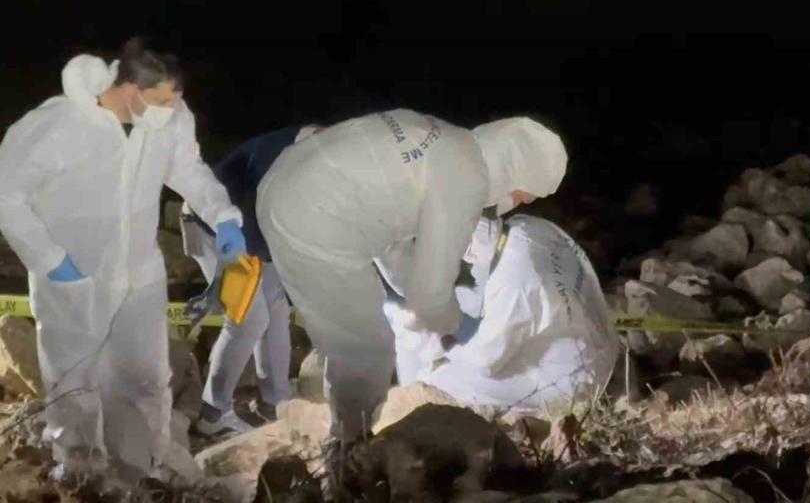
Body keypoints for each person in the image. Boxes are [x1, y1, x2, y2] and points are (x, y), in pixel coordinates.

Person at [0, 38, 246, 481]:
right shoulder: (57, 125)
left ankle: (145, 467)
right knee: (73, 378)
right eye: (161, 101)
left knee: (146, 377)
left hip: (139, 273)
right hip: (73, 276)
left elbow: (188, 170)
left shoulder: (169, 118)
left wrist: (223, 216)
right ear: (129, 89)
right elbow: (5, 193)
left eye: (175, 101)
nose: (171, 110)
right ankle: (79, 471)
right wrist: (49, 259)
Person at [255, 109, 568, 455]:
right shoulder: (466, 181)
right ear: (514, 170)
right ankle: (347, 450)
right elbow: (429, 295)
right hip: (312, 215)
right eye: (524, 195)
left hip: (283, 180)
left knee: (357, 332)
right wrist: (459, 327)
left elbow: (392, 243)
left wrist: (424, 297)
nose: (520, 203)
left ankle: (346, 433)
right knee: (367, 348)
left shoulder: (452, 143)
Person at [387, 214, 622, 412]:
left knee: (434, 380)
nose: (464, 257)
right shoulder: (528, 226)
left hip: (575, 380)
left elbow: (485, 362)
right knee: (462, 300)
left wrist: (438, 343)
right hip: (597, 341)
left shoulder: (513, 283)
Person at [179, 124, 319, 436]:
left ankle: (276, 404)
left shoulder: (313, 157)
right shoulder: (274, 161)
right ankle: (213, 415)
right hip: (214, 228)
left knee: (276, 312)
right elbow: (257, 232)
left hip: (256, 232)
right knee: (249, 319)